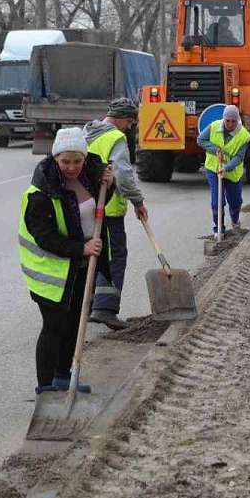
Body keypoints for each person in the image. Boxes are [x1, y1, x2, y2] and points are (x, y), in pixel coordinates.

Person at [19, 126, 114, 394]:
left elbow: (99, 205)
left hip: (80, 267)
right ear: (55, 159)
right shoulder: (41, 192)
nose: (71, 167)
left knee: (74, 321)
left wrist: (110, 183)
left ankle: (63, 376)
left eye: (77, 161)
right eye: (65, 162)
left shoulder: (89, 177)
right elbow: (44, 236)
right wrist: (81, 248)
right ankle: (46, 386)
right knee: (53, 326)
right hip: (49, 270)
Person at [84, 98, 148, 331]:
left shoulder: (87, 134)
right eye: (130, 121)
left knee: (91, 254)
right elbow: (122, 176)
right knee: (113, 256)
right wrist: (137, 201)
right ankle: (105, 308)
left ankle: (89, 304)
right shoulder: (116, 138)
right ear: (121, 118)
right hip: (108, 209)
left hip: (85, 209)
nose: (130, 127)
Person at [197, 105, 250, 234]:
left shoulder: (244, 136)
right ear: (223, 119)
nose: (230, 124)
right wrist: (216, 150)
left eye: (233, 121)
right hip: (213, 170)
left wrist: (226, 167)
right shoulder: (214, 126)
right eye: (227, 121)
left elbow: (239, 157)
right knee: (217, 202)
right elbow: (201, 140)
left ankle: (235, 221)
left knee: (235, 202)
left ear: (238, 120)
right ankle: (218, 229)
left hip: (232, 173)